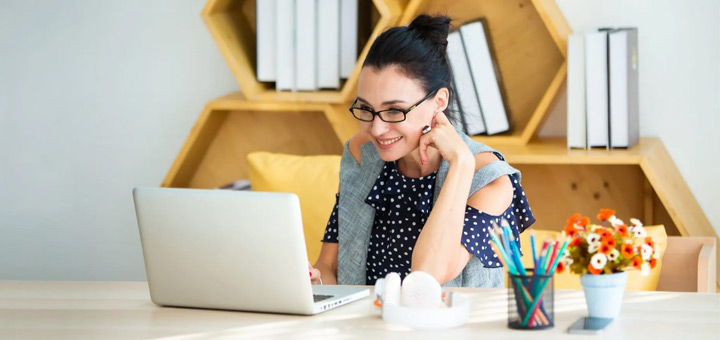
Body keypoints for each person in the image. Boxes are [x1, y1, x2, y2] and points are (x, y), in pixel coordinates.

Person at [309, 14, 535, 288]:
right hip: (366, 327)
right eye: (367, 109)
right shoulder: (362, 154)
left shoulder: (489, 180)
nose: (377, 129)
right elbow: (329, 265)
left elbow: (429, 273)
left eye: (394, 110)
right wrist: (311, 279)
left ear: (439, 101)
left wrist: (461, 163)